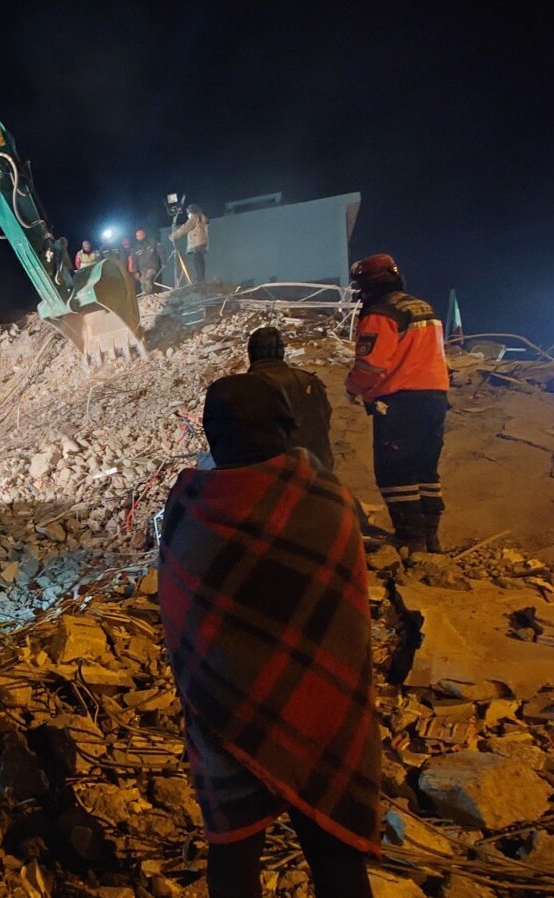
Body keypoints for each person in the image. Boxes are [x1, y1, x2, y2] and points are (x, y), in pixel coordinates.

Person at [159, 373, 380, 898]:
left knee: (234, 854)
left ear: (213, 434)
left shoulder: (190, 506)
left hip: (224, 713)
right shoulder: (329, 498)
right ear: (286, 425)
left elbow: (179, 616)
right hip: (320, 709)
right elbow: (348, 621)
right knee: (335, 857)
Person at [344, 254, 450, 553]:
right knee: (425, 471)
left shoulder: (380, 313)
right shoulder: (422, 307)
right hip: (435, 398)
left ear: (367, 284)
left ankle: (410, 539)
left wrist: (352, 389)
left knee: (395, 470)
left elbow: (371, 365)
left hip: (401, 400)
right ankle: (431, 539)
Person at [245, 326, 334, 469]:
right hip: (316, 468)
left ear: (251, 354)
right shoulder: (309, 381)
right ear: (281, 353)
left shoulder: (242, 387)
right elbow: (324, 420)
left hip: (270, 475)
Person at [170, 203, 209, 284]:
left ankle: (199, 280)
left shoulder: (195, 217)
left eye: (188, 212)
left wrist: (174, 235)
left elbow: (186, 227)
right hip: (202, 242)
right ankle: (200, 279)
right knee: (199, 261)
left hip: (197, 243)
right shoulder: (201, 217)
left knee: (197, 261)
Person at [131, 228, 162, 295]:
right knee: (143, 283)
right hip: (142, 269)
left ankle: (148, 294)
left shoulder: (152, 242)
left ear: (144, 235)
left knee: (148, 280)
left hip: (152, 266)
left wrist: (163, 261)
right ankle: (145, 297)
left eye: (140, 235)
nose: (139, 237)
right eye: (137, 236)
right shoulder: (136, 247)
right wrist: (135, 271)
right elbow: (135, 260)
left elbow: (160, 251)